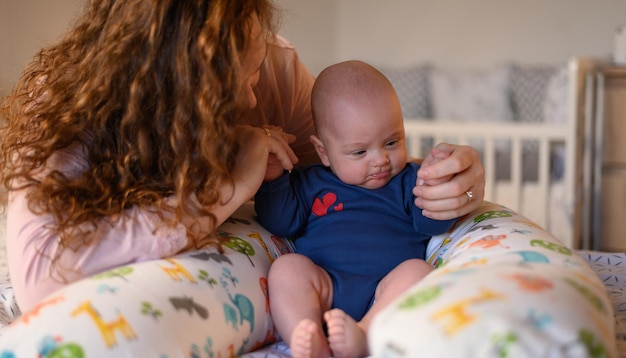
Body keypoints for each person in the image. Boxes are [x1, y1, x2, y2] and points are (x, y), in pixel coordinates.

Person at [0, 0, 484, 313]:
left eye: (255, 75)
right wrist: (229, 185)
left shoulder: (275, 68)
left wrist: (448, 178)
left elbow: (360, 164)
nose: (254, 102)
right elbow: (42, 280)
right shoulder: (70, 108)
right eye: (236, 84)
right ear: (169, 86)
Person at [254, 60, 460, 358]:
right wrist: (273, 178)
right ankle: (306, 332)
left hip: (387, 290)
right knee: (287, 268)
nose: (380, 160)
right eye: (360, 152)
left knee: (418, 272)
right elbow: (280, 221)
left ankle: (365, 333)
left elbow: (431, 223)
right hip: (324, 285)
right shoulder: (309, 182)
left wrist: (438, 182)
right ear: (323, 151)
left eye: (392, 142)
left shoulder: (408, 180)